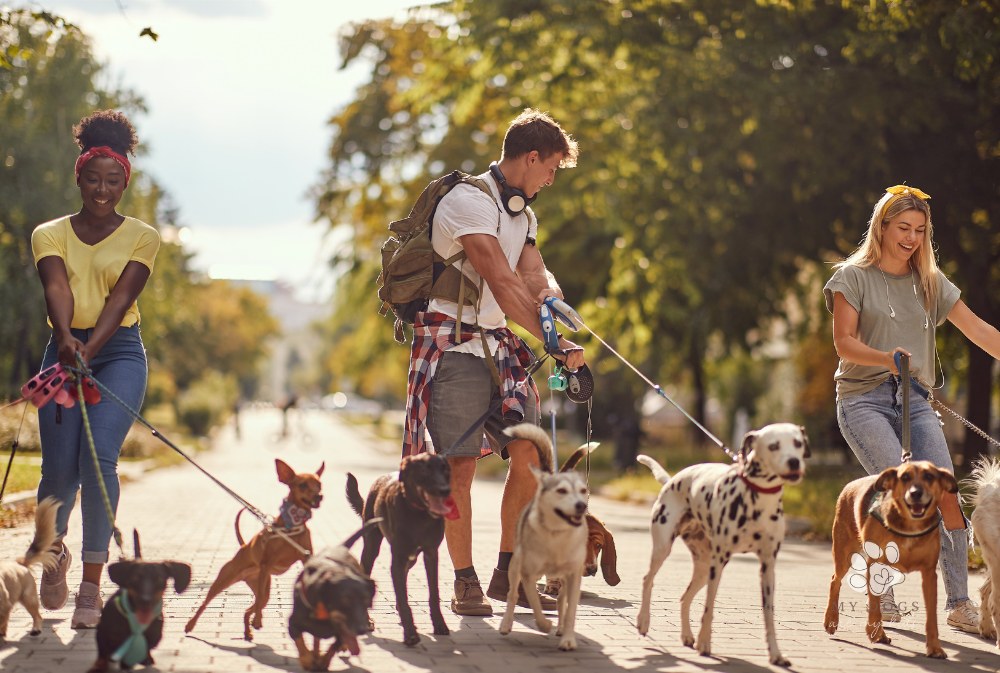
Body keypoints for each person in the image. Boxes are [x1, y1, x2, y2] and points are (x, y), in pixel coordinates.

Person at [402, 108, 586, 616]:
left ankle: (507, 573)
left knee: (529, 461)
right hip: (453, 350)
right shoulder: (468, 202)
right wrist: (553, 344)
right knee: (458, 469)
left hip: (498, 349)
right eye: (550, 169)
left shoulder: (522, 214)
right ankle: (464, 581)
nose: (551, 179)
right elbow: (502, 284)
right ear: (530, 158)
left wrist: (551, 295)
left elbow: (531, 270)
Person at [824, 184, 1000, 633]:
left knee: (945, 495)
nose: (911, 238)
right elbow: (844, 343)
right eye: (903, 228)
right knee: (899, 494)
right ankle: (880, 596)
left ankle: (959, 605)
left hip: (915, 402)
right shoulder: (851, 276)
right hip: (862, 400)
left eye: (920, 230)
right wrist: (886, 359)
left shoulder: (929, 282)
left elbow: (979, 331)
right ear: (881, 227)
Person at [31, 109, 160, 628]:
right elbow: (56, 287)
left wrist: (89, 345)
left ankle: (90, 585)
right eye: (93, 179)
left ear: (124, 182)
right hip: (62, 349)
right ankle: (53, 551)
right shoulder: (49, 232)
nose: (102, 190)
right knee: (57, 471)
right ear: (78, 177)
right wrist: (66, 339)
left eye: (113, 181)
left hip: (120, 350)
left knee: (97, 457)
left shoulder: (142, 236)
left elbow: (120, 298)